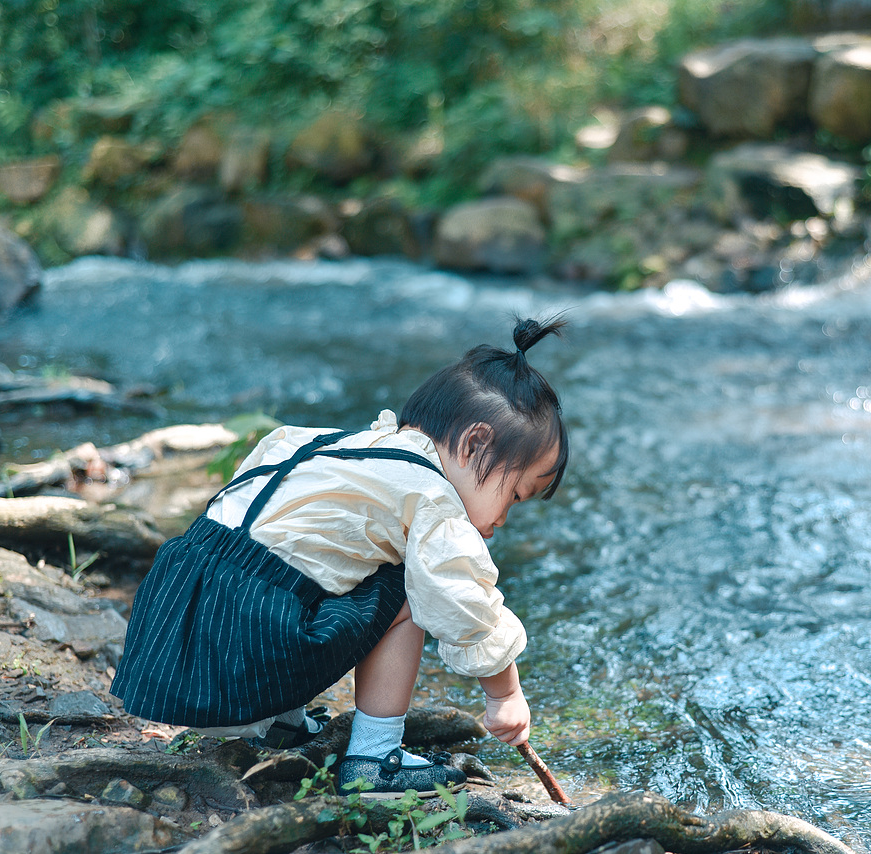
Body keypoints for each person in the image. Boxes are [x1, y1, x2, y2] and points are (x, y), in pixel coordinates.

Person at [110, 316, 568, 799]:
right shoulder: (430, 496)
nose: (503, 520)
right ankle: (375, 758)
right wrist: (505, 694)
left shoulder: (335, 446)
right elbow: (465, 603)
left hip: (178, 642)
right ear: (475, 443)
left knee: (313, 572)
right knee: (411, 586)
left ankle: (276, 724)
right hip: (237, 660)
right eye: (515, 495)